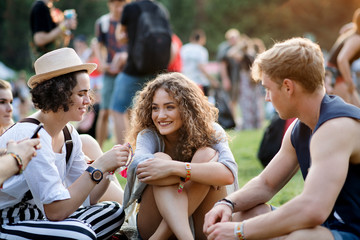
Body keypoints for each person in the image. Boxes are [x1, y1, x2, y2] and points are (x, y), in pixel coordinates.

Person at [204, 37, 360, 240]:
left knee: (301, 238)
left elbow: (313, 208)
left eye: (268, 89)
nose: (267, 97)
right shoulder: (301, 125)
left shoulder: (336, 127)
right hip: (330, 226)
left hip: (352, 230)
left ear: (288, 87)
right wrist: (227, 203)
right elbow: (266, 183)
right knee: (244, 214)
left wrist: (240, 231)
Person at [0, 47, 129, 239]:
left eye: (88, 93)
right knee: (81, 235)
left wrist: (107, 169)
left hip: (40, 217)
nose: (88, 100)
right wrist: (98, 167)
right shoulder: (33, 135)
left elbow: (87, 199)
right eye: (81, 93)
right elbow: (56, 211)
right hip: (9, 221)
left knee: (114, 211)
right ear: (58, 93)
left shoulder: (69, 134)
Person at [122, 72, 238, 240]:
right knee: (160, 158)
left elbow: (228, 174)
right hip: (153, 223)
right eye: (155, 108)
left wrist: (173, 169)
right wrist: (201, 173)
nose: (160, 116)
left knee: (205, 154)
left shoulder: (211, 131)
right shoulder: (149, 135)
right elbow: (143, 169)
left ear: (187, 108)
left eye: (170, 107)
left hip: (199, 225)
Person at [111, 0, 172, 145]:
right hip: (158, 70)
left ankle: (124, 155)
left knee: (118, 109)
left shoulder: (130, 8)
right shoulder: (160, 8)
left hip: (134, 68)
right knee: (153, 111)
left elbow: (120, 37)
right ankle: (154, 148)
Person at [94, 0, 129, 148]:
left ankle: (128, 149)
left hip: (128, 72)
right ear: (110, 4)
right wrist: (102, 63)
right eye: (116, 3)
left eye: (122, 3)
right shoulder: (103, 22)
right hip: (110, 74)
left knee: (129, 113)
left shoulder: (130, 21)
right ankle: (97, 150)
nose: (119, 7)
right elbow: (97, 44)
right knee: (105, 112)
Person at [326, 8, 360, 107]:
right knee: (351, 110)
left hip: (334, 74)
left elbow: (345, 28)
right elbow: (342, 59)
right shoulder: (357, 39)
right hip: (335, 76)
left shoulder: (353, 32)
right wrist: (349, 83)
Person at [181, 29, 219, 96]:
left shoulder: (184, 48)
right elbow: (201, 67)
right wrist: (212, 80)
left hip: (184, 81)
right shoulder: (201, 50)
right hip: (198, 83)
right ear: (201, 39)